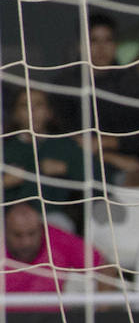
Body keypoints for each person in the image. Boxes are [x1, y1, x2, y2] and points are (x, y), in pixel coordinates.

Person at [55, 13, 139, 184]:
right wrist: (108, 156)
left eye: (108, 40)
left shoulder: (131, 83)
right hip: (77, 172)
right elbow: (61, 139)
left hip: (131, 170)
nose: (101, 48)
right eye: (93, 40)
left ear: (116, 45)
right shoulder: (65, 86)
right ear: (81, 46)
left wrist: (107, 143)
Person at [2, 88, 89, 235]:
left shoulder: (64, 145)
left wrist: (66, 168)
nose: (32, 111)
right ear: (15, 114)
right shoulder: (5, 148)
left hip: (53, 219)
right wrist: (4, 182)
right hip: (8, 221)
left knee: (61, 227)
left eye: (39, 105)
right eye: (25, 106)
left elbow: (100, 180)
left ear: (49, 112)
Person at [2, 201, 119, 305]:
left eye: (32, 234)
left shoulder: (58, 239)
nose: (26, 242)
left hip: (53, 319)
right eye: (18, 235)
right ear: (5, 231)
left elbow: (105, 268)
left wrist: (101, 313)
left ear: (41, 229)